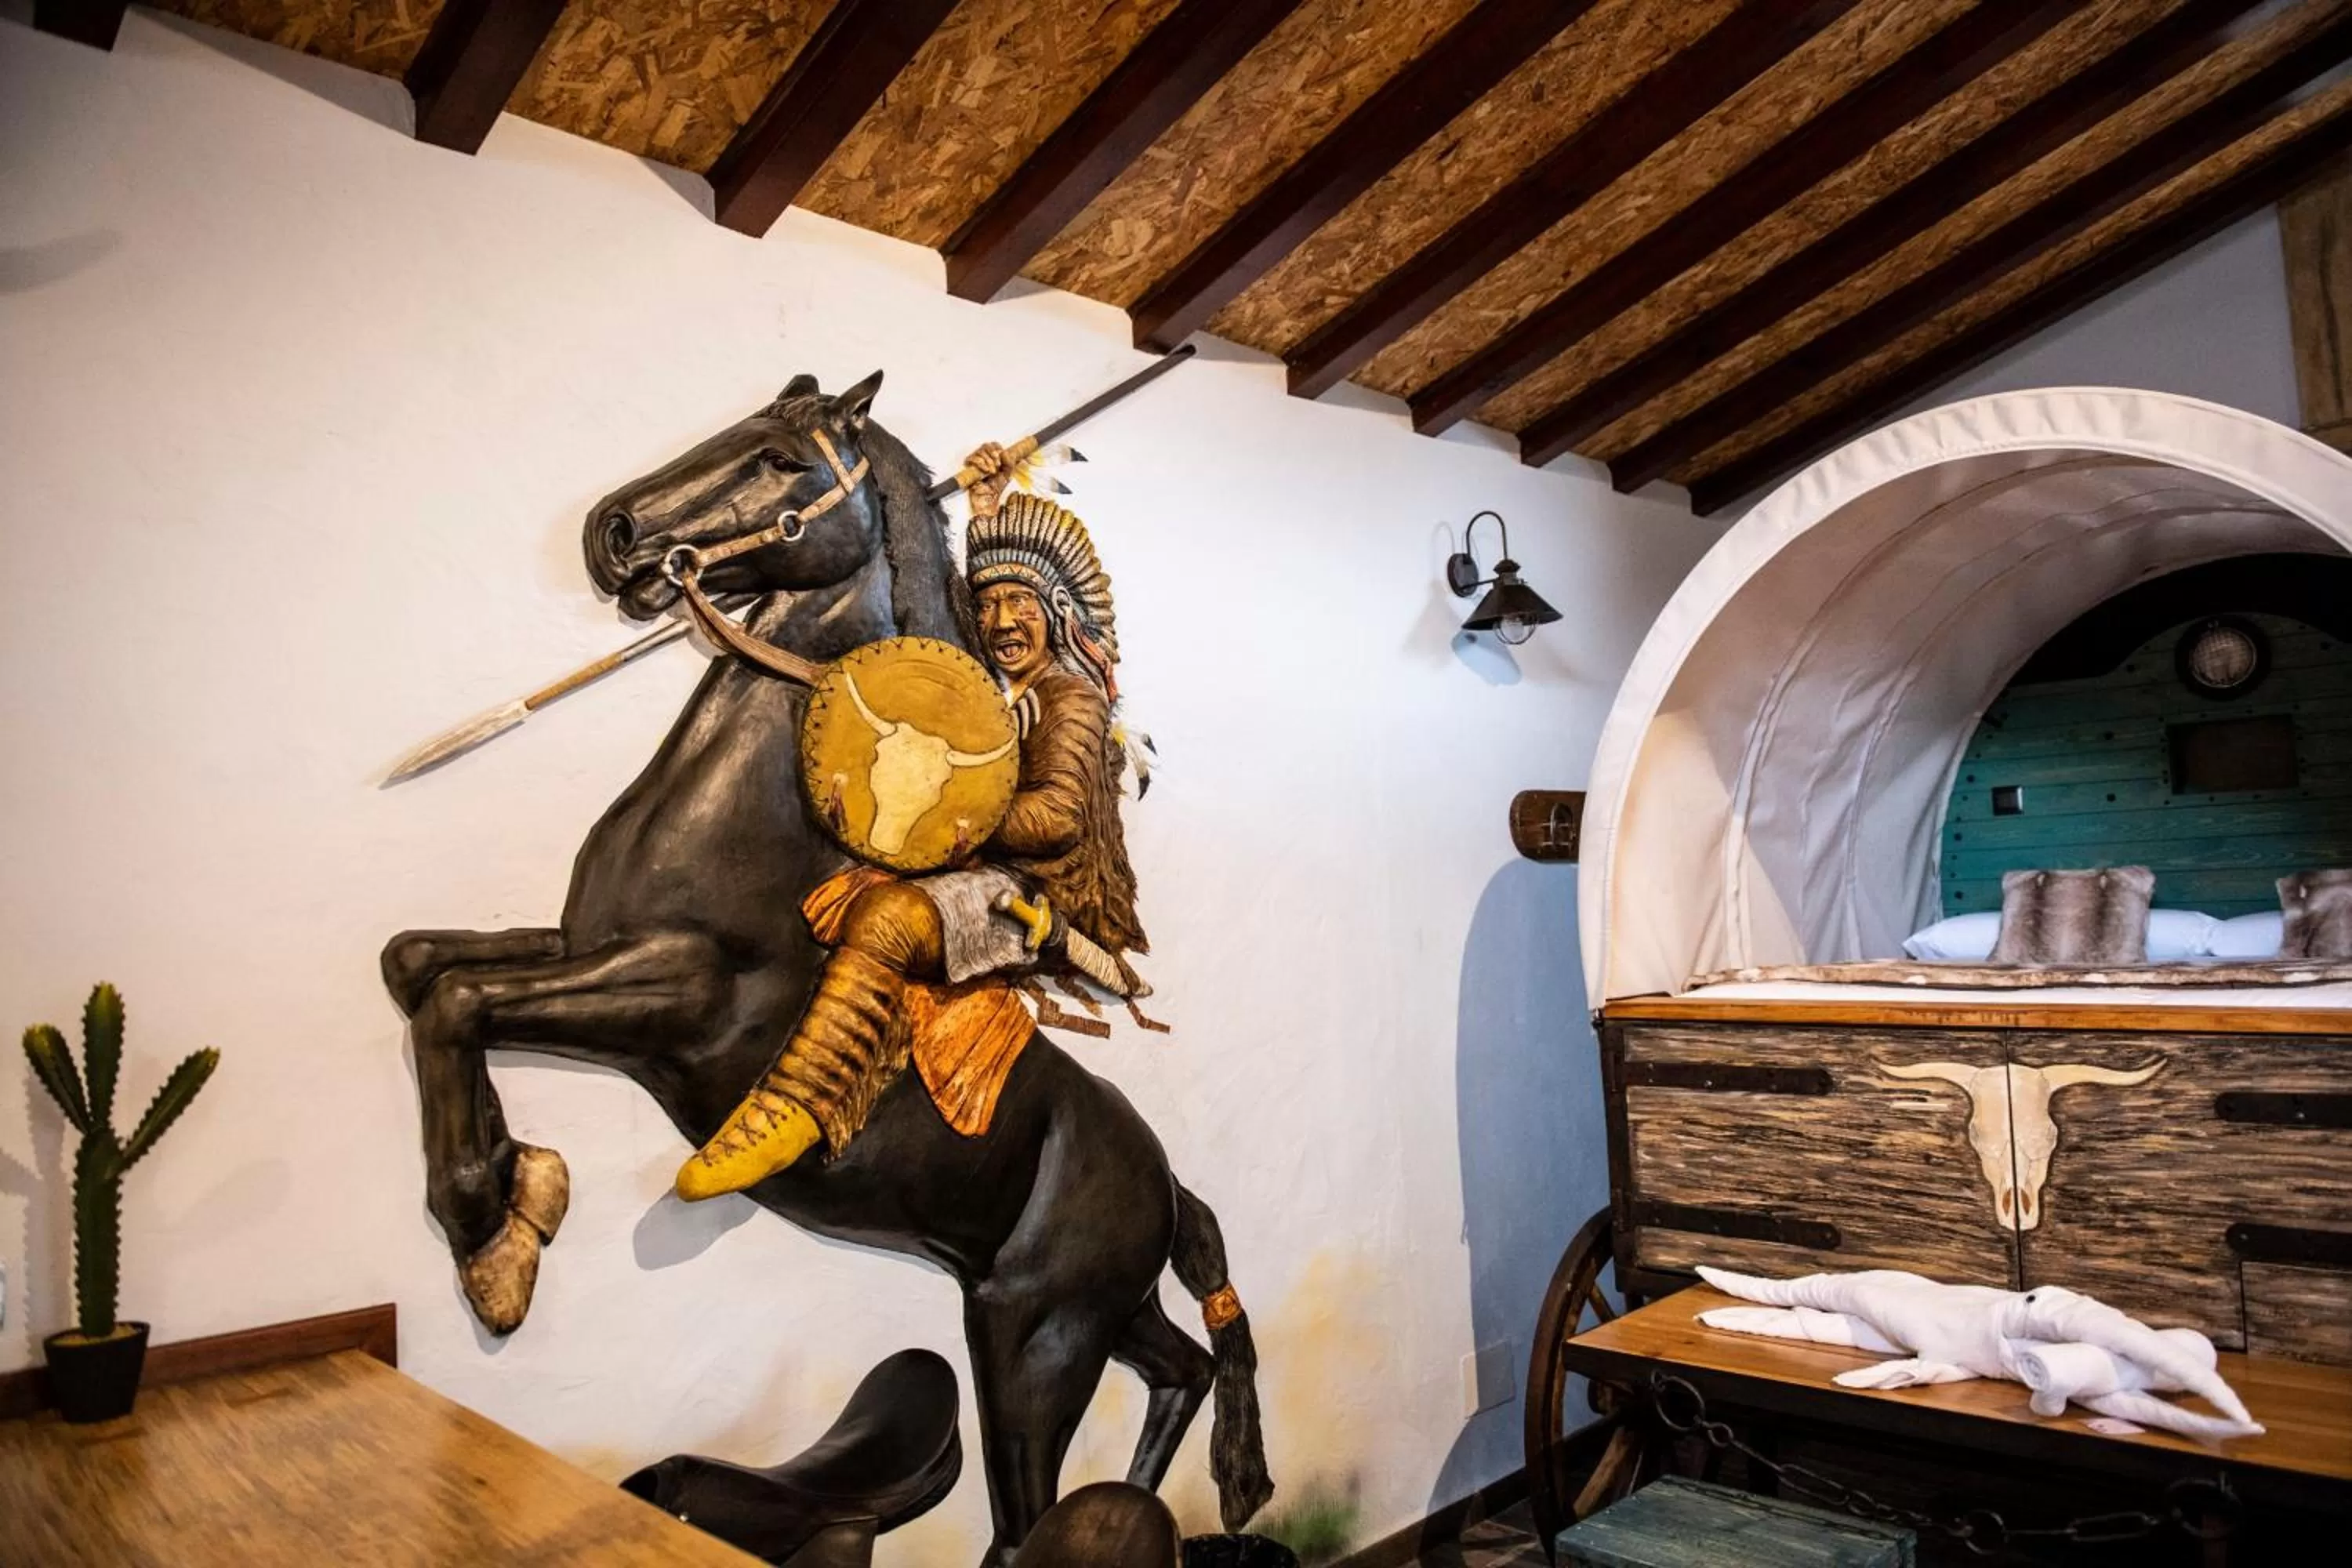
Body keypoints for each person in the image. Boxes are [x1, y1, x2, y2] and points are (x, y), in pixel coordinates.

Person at [675, 445, 1145, 1200]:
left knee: (892, 917)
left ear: (1056, 610)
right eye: (990, 605)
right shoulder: (982, 678)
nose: (999, 621)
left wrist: (962, 814)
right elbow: (943, 608)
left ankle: (799, 1104)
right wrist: (984, 501)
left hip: (1022, 892)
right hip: (957, 849)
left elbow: (1056, 818)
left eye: (1018, 604)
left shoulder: (1070, 699)